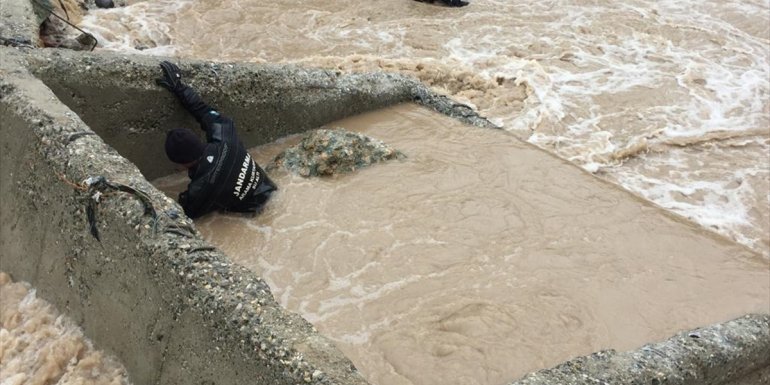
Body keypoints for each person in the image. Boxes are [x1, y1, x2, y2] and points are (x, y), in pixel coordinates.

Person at [156, 61, 277, 219]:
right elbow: (203, 110)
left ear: (181, 164)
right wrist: (179, 87)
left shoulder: (201, 188)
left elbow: (183, 215)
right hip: (273, 194)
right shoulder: (224, 135)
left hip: (256, 217)